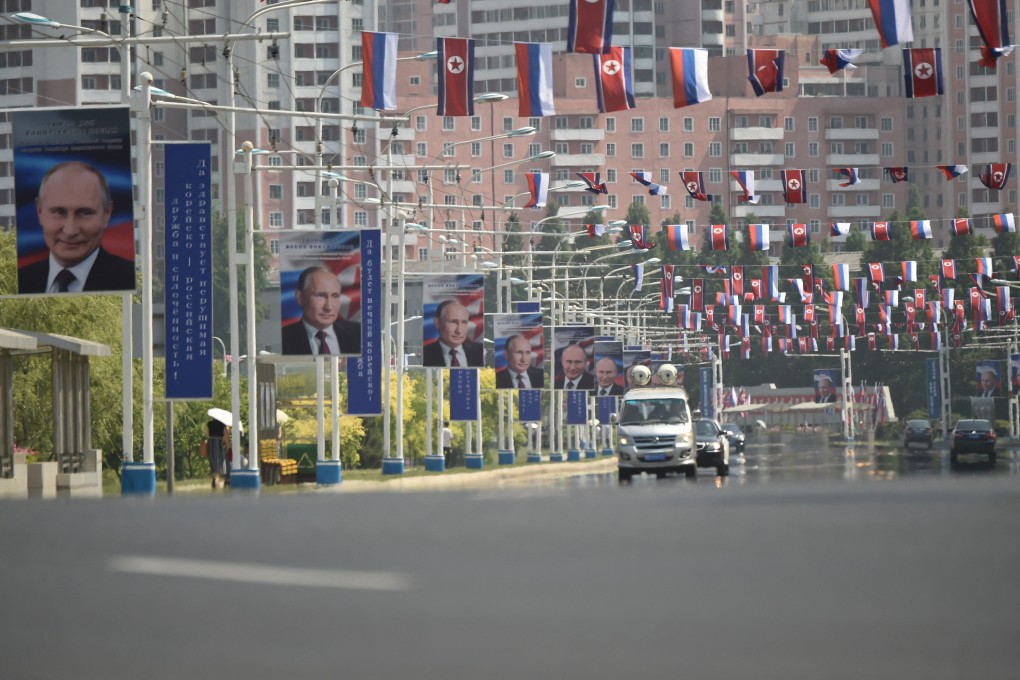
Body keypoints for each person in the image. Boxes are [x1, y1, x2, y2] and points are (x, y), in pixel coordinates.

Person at [18, 161, 135, 294]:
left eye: (85, 213)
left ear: (107, 214)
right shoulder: (20, 281)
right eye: (58, 212)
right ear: (39, 211)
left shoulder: (132, 280)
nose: (70, 230)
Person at [281, 265, 361, 355]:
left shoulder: (359, 333)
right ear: (300, 297)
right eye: (321, 296)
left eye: (335, 296)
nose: (328, 307)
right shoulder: (283, 339)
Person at [422, 299, 484, 367]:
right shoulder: (424, 355)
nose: (459, 331)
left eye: (464, 322)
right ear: (437, 323)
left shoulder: (481, 352)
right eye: (453, 322)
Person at [206, 418, 227, 490]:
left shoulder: (209, 423)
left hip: (211, 442)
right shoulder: (222, 424)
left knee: (212, 460)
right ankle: (217, 480)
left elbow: (207, 434)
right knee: (220, 460)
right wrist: (226, 444)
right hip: (219, 442)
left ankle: (215, 479)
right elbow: (226, 435)